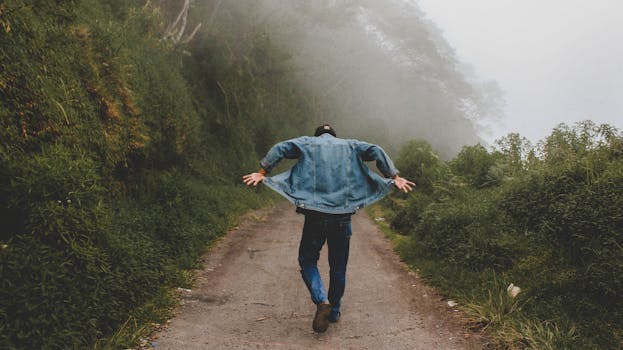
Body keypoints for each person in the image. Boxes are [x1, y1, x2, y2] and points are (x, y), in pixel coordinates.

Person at [242, 124, 415, 333]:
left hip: (315, 216)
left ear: (318, 135)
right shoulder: (350, 146)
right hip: (342, 217)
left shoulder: (307, 143)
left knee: (307, 261)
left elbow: (281, 148)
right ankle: (333, 312)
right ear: (334, 135)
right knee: (338, 268)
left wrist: (262, 172)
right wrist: (393, 176)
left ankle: (321, 299)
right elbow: (376, 150)